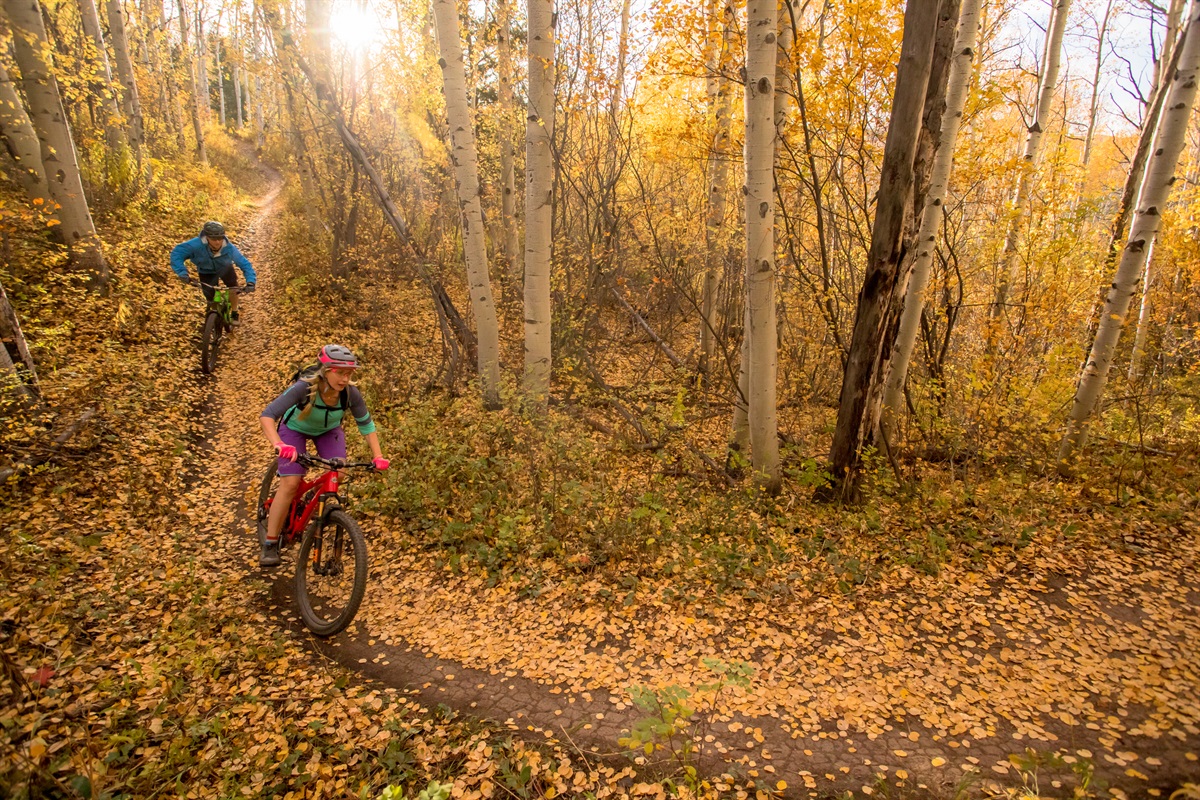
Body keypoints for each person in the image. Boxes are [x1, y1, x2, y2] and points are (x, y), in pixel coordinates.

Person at [258, 345, 389, 567]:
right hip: (294, 430)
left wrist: (378, 456)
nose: (345, 379)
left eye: (349, 373)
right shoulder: (304, 388)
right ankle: (270, 543)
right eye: (340, 372)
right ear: (326, 370)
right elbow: (267, 416)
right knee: (290, 483)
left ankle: (313, 504)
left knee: (340, 472)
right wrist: (279, 444)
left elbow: (366, 425)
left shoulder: (350, 394)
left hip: (328, 431)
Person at [170, 221, 257, 323]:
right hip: (205, 271)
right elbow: (177, 254)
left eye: (220, 238)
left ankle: (234, 312)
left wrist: (250, 281)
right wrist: (182, 272)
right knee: (212, 298)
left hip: (225, 269)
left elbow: (244, 264)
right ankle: (215, 316)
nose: (217, 242)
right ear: (207, 237)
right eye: (213, 239)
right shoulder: (195, 245)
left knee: (233, 288)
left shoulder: (229, 248)